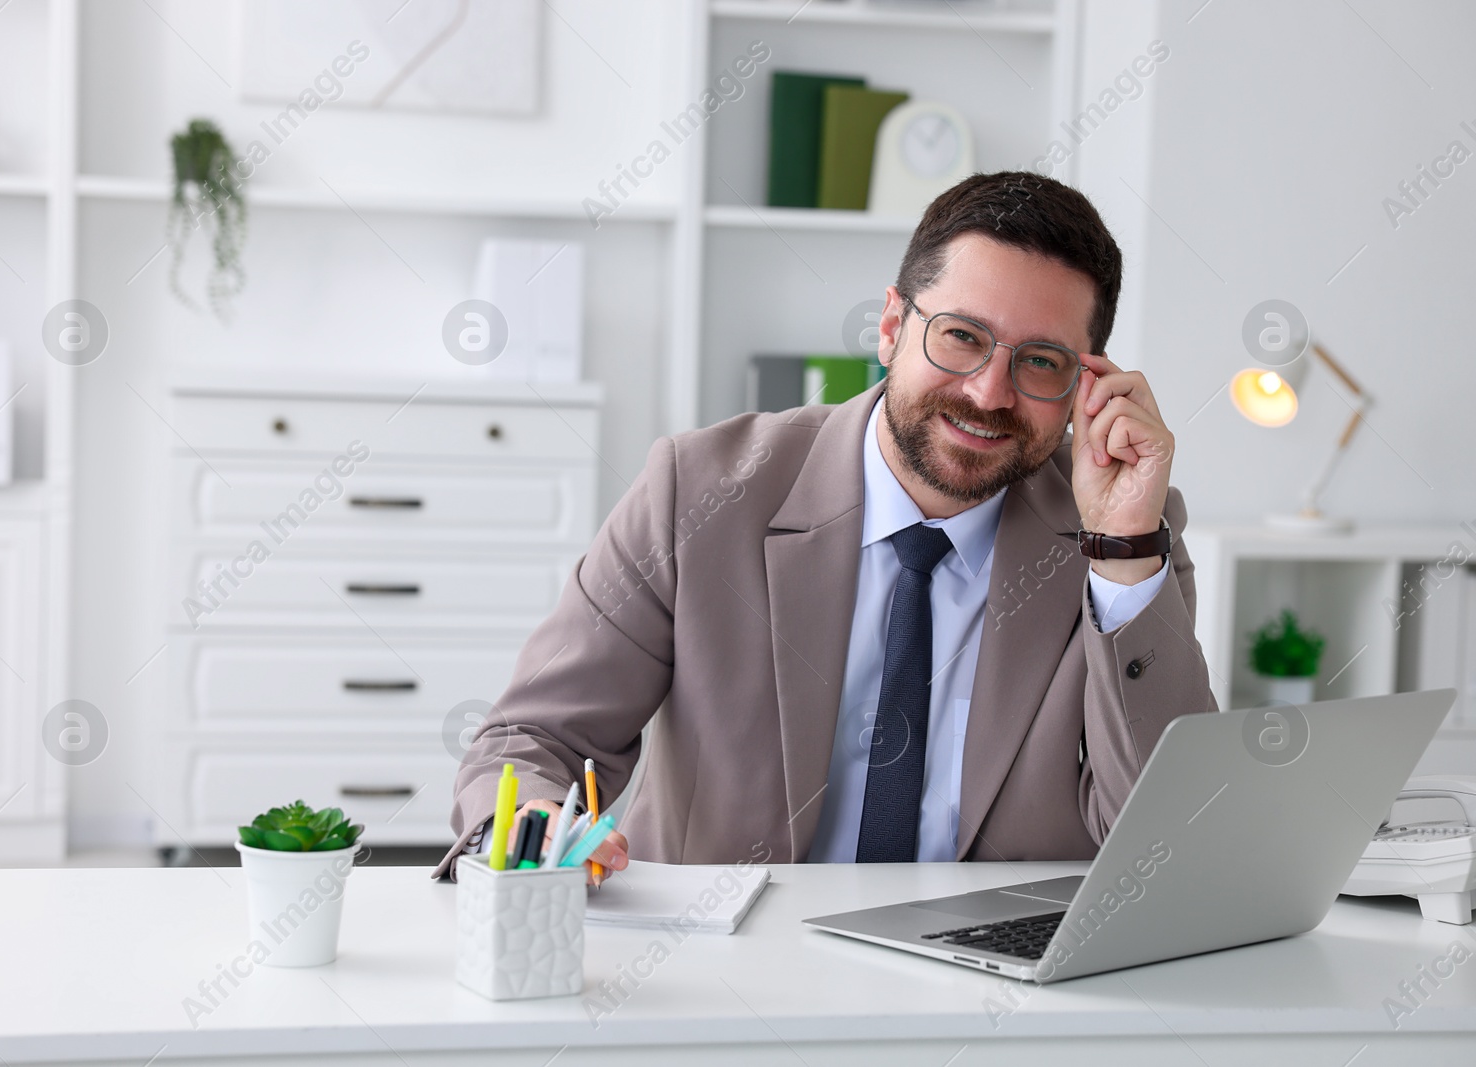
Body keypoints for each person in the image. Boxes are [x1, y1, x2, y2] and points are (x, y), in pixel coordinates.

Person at [434, 171, 1215, 883]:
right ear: (890, 327)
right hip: (723, 973)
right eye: (961, 336)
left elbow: (1166, 838)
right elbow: (533, 741)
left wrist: (1120, 547)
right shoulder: (698, 492)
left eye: (1041, 361)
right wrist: (534, 825)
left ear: (1088, 384)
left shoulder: (1122, 531)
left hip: (991, 989)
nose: (987, 392)